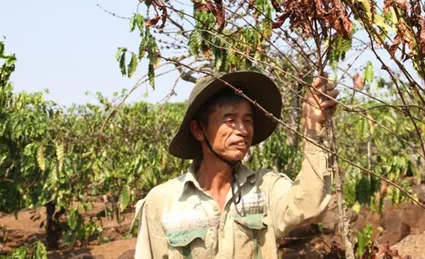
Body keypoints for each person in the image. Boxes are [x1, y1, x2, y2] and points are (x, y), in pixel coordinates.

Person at [133, 70, 338, 258]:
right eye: (230, 120)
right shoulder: (162, 202)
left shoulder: (264, 188)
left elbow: (309, 206)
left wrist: (314, 130)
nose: (242, 130)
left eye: (247, 121)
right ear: (198, 130)